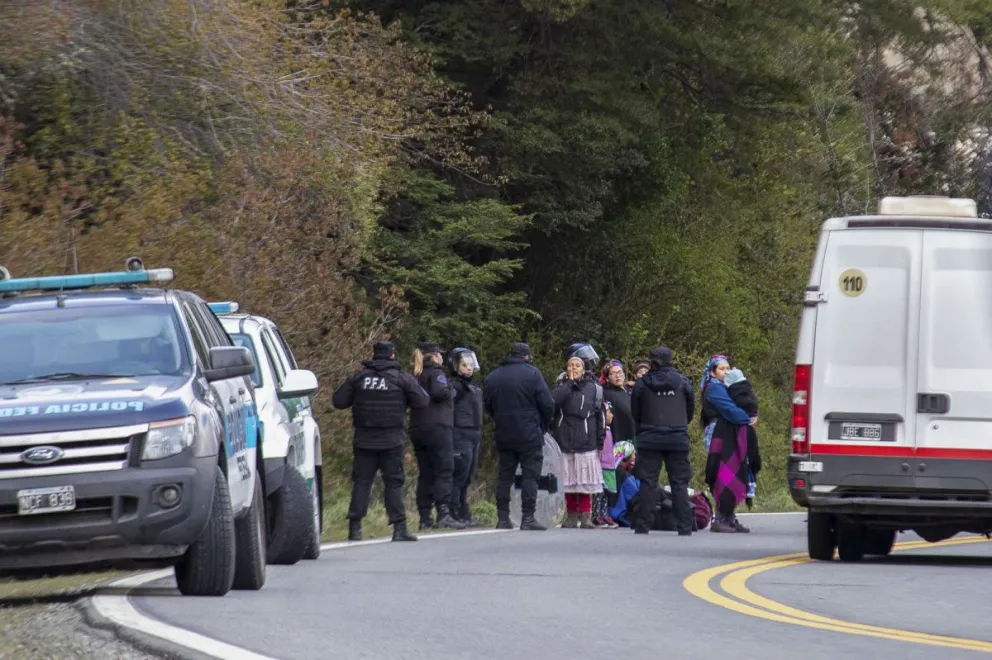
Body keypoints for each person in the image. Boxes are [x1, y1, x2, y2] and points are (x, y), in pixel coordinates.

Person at [333, 341, 429, 543]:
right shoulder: (402, 378)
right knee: (393, 483)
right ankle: (399, 528)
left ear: (374, 355)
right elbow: (422, 401)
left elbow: (338, 401)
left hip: (364, 441)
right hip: (392, 441)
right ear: (393, 355)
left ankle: (354, 528)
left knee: (361, 483)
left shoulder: (359, 377)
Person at [483, 342, 556, 531]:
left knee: (504, 476)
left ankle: (502, 517)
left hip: (504, 432)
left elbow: (488, 404)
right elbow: (547, 404)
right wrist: (544, 425)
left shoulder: (493, 376)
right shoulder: (533, 374)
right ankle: (528, 517)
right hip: (529, 433)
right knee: (530, 476)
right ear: (527, 356)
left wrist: (499, 419)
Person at [629, 346, 695, 536]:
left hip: (649, 438)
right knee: (679, 483)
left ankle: (643, 525)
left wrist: (645, 429)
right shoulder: (683, 382)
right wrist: (679, 427)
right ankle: (684, 526)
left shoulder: (642, 384)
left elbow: (636, 412)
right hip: (677, 437)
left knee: (648, 482)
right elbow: (689, 411)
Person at [409, 341, 465, 530]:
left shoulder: (415, 375)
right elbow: (440, 392)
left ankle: (425, 517)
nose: (442, 357)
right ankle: (443, 512)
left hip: (418, 427)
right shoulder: (436, 373)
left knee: (425, 474)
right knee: (444, 470)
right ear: (434, 357)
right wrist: (452, 391)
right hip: (438, 427)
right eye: (440, 354)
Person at [553, 345, 606, 528]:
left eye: (578, 366)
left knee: (584, 481)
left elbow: (600, 417)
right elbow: (554, 403)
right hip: (565, 437)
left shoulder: (593, 388)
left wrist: (600, 441)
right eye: (571, 366)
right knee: (569, 480)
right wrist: (569, 383)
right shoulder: (561, 385)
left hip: (586, 439)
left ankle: (585, 516)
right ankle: (571, 515)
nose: (574, 369)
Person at [704, 367, 760, 533]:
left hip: (732, 435)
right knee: (725, 474)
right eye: (722, 368)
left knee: (736, 473)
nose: (726, 371)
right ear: (713, 372)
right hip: (723, 437)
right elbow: (729, 409)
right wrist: (748, 417)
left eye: (728, 368)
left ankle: (729, 516)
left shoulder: (728, 388)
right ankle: (721, 517)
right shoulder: (714, 388)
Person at [449, 347, 483, 526]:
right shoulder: (455, 386)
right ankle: (453, 511)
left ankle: (463, 511)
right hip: (460, 434)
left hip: (474, 435)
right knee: (459, 475)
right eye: (464, 365)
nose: (469, 368)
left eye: (471, 364)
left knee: (467, 476)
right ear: (456, 366)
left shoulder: (473, 387)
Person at [600, 360, 635, 513]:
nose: (617, 376)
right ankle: (610, 510)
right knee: (611, 477)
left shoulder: (628, 393)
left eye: (620, 372)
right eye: (613, 373)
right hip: (614, 444)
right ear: (607, 377)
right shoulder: (606, 394)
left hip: (631, 442)